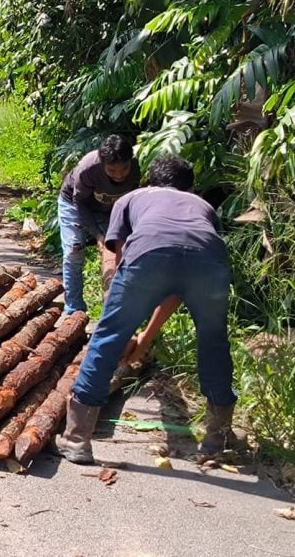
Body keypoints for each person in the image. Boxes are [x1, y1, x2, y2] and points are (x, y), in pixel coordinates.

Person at [55, 155, 237, 464]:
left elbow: (122, 263)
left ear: (148, 181)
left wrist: (122, 324)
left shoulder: (131, 198)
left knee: (107, 338)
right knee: (213, 342)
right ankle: (217, 438)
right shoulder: (201, 206)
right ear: (190, 187)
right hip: (211, 263)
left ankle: (77, 438)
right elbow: (179, 285)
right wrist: (145, 338)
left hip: (148, 257)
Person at [57, 134, 140, 315]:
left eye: (124, 169)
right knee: (74, 250)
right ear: (103, 165)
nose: (119, 175)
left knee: (118, 254)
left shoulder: (138, 167)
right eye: (112, 171)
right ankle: (73, 309)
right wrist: (98, 235)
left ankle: (113, 310)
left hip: (112, 209)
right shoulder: (88, 168)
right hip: (75, 204)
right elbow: (79, 203)